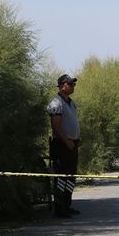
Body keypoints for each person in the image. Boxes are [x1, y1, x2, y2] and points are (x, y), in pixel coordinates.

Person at [47, 74, 81, 218]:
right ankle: (60, 208)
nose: (73, 86)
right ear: (62, 86)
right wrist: (67, 142)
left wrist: (76, 140)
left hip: (72, 145)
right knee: (61, 177)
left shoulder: (71, 103)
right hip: (62, 145)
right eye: (70, 84)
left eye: (73, 84)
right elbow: (56, 127)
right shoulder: (56, 103)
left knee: (71, 176)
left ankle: (67, 205)